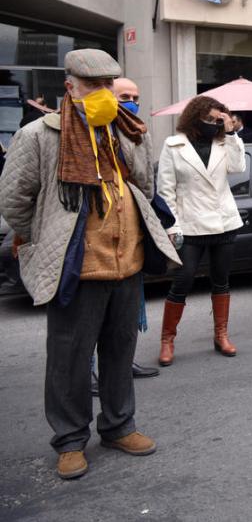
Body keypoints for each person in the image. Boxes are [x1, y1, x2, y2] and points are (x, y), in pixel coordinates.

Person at [0, 49, 180, 479]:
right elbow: (14, 201)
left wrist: (122, 134)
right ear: (70, 87)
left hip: (127, 262)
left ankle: (119, 426)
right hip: (75, 268)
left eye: (108, 86)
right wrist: (45, 238)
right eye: (93, 87)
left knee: (120, 353)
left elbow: (143, 184)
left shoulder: (129, 129)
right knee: (69, 360)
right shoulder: (38, 135)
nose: (103, 94)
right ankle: (69, 440)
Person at [156, 96, 245, 365]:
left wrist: (230, 132)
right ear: (195, 117)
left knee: (221, 281)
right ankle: (167, 340)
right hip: (190, 224)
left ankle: (221, 335)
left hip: (223, 222)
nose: (212, 124)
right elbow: (165, 190)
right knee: (182, 281)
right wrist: (171, 226)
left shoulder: (223, 141)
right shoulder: (174, 144)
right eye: (208, 119)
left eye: (217, 119)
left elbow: (238, 167)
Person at [89, 79, 159, 393]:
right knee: (88, 321)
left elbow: (147, 187)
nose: (131, 102)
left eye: (136, 97)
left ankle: (120, 365)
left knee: (124, 320)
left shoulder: (138, 133)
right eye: (124, 97)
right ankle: (88, 372)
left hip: (129, 241)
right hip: (92, 245)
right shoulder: (83, 132)